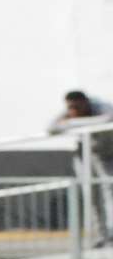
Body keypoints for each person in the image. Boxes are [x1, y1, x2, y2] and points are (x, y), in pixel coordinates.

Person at [50, 90, 113, 243]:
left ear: (85, 102)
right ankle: (101, 236)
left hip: (107, 154)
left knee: (110, 188)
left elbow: (108, 119)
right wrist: (72, 121)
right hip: (84, 154)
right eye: (70, 108)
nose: (73, 111)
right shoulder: (69, 111)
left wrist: (71, 123)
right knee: (91, 194)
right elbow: (51, 128)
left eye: (77, 107)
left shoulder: (101, 106)